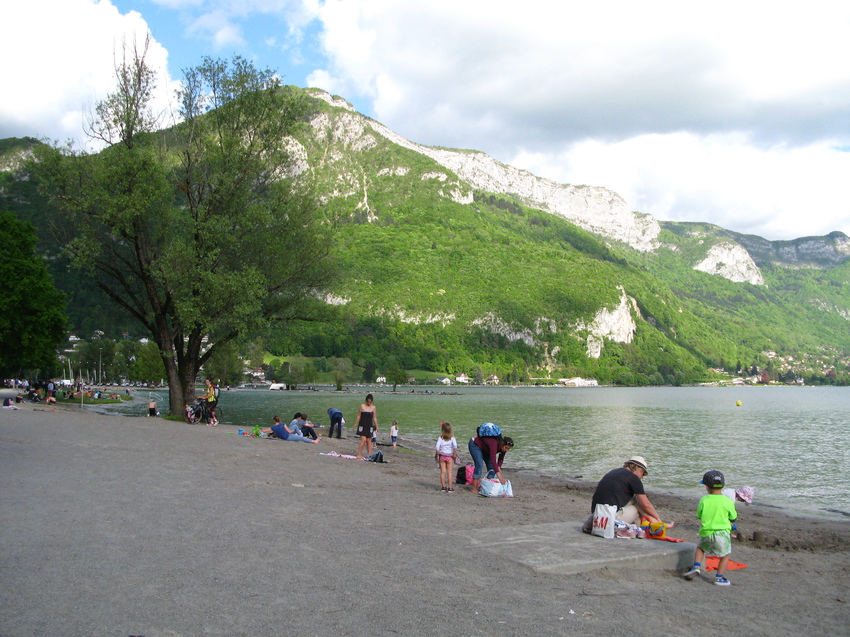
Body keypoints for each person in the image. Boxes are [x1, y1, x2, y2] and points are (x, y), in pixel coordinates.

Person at [581, 457, 672, 533]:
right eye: (643, 473)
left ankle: (650, 525)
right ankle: (657, 524)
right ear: (636, 468)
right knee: (636, 508)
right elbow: (646, 505)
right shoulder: (633, 478)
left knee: (634, 500)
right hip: (609, 520)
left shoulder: (613, 472)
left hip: (597, 515)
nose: (642, 477)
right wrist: (657, 517)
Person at [683, 470, 738, 586]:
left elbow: (699, 515)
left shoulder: (704, 500)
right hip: (722, 533)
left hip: (706, 532)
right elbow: (733, 517)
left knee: (700, 548)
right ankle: (719, 578)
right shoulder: (728, 501)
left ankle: (696, 567)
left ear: (707, 487)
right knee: (725, 555)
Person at [467, 423, 514, 492]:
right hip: (475, 445)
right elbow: (493, 460)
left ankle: (488, 486)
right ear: (502, 443)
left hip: (485, 448)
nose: (506, 450)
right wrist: (499, 476)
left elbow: (501, 458)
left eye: (508, 449)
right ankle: (474, 488)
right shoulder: (494, 444)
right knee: (479, 464)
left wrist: (499, 467)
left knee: (492, 468)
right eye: (506, 448)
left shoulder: (503, 447)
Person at [435, 421, 459, 492]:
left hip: (442, 456)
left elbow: (437, 447)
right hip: (449, 457)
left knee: (443, 472)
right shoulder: (452, 438)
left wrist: (437, 454)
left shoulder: (440, 438)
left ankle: (443, 487)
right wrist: (454, 453)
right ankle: (450, 488)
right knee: (449, 473)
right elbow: (455, 446)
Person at [354, 394, 378, 459]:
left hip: (369, 425)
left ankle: (370, 455)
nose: (369, 403)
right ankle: (359, 454)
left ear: (372, 401)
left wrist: (377, 426)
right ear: (366, 401)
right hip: (362, 425)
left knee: (369, 441)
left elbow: (374, 418)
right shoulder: (362, 406)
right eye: (368, 402)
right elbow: (359, 415)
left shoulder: (373, 408)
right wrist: (355, 424)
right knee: (363, 440)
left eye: (370, 402)